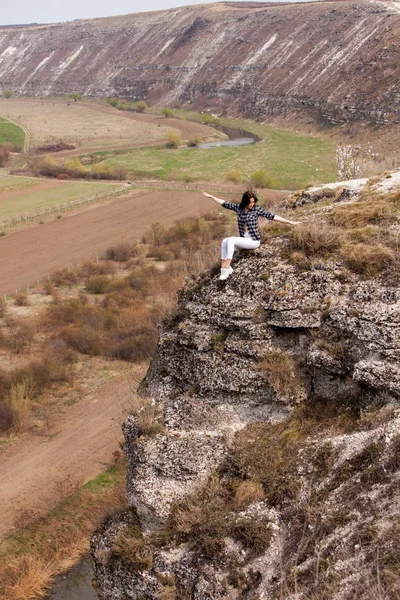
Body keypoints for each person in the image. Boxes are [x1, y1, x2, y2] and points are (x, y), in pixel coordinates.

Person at [202, 190, 300, 280]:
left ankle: (227, 267)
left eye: (253, 202)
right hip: (244, 239)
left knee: (231, 240)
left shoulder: (256, 209)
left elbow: (272, 216)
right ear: (245, 202)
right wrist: (211, 197)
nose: (252, 204)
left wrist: (290, 222)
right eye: (250, 202)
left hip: (253, 241)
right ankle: (223, 269)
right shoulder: (239, 208)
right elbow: (224, 203)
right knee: (225, 241)